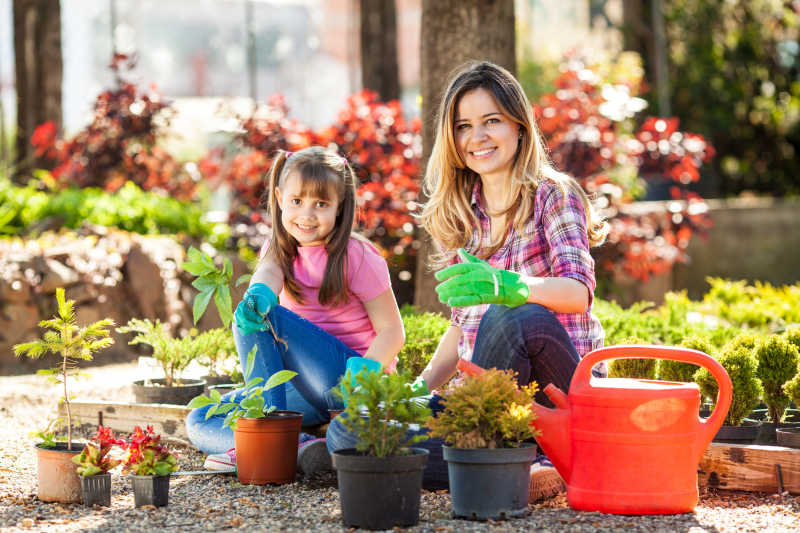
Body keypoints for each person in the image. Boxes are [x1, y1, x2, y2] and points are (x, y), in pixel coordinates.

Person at [326, 61, 608, 499]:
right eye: (464, 126)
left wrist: (512, 287)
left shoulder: (553, 194)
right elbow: (462, 327)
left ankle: (522, 450)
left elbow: (578, 293)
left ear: (519, 127)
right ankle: (509, 457)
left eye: (491, 121)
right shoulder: (463, 215)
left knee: (512, 316)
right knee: (350, 428)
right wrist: (417, 389)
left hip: (557, 393)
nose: (477, 137)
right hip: (483, 399)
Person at [186, 146, 405, 476]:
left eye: (321, 204)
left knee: (266, 315)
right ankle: (299, 447)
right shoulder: (278, 247)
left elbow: (393, 331)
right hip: (303, 388)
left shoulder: (357, 255)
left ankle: (266, 436)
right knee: (202, 417)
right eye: (297, 201)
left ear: (340, 206)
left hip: (352, 382)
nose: (307, 214)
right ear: (279, 198)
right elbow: (267, 275)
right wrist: (258, 295)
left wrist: (366, 371)